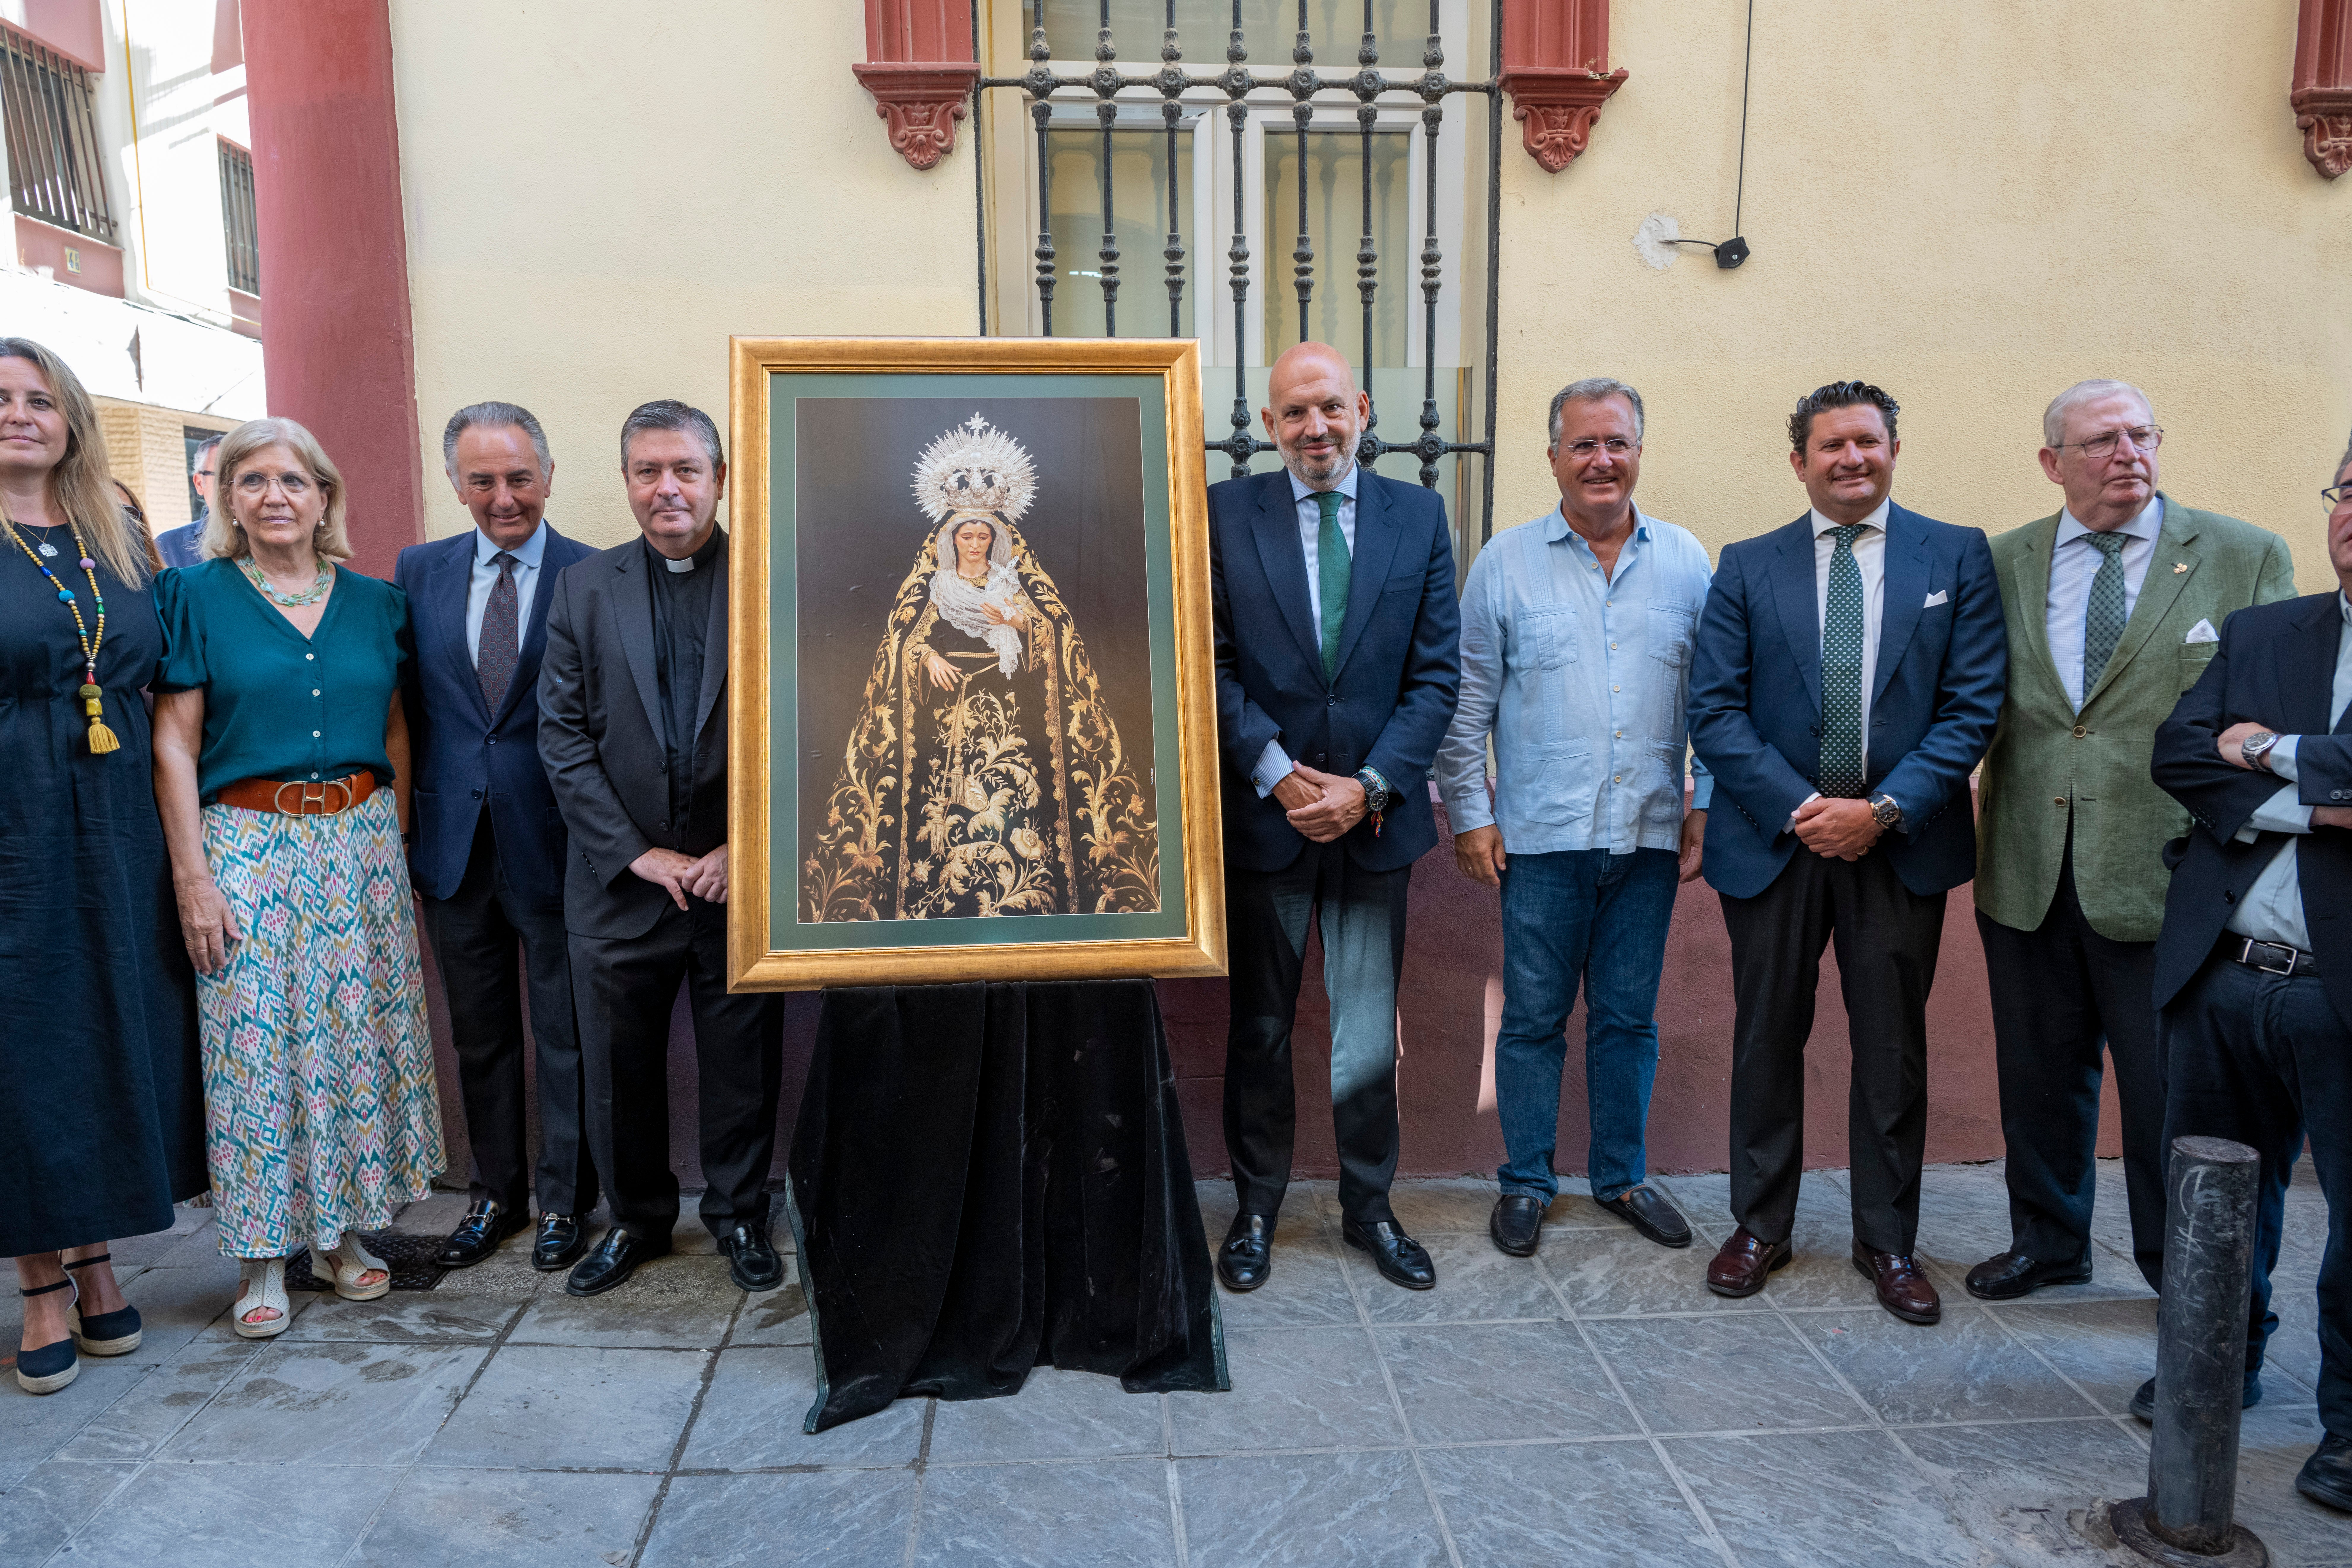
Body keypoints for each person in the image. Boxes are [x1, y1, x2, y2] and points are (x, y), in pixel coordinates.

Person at [1685, 380, 2006, 1324]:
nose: (1851, 459)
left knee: (1893, 1050)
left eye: (1867, 442)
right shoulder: (1748, 565)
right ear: (1800, 462)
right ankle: (1761, 1225)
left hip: (1898, 847)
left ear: (1894, 448)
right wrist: (1804, 808)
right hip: (1775, 845)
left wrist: (1887, 809)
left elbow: (1972, 708)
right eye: (1831, 447)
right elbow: (1715, 709)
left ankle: (1889, 1239)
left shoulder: (1956, 555)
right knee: (1765, 1041)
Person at [1969, 381, 2295, 1302]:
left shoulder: (2243, 555)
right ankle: (2048, 1241)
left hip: (2171, 881)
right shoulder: (2004, 561)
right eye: (2102, 440)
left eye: (2141, 435)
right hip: (2029, 867)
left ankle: (2175, 1278)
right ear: (2052, 462)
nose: (2127, 454)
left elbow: (2271, 712)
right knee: (2039, 1079)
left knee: (2169, 1095)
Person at [151, 416, 443, 1339]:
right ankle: (261, 1256)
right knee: (255, 1047)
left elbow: (398, 724)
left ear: (325, 496)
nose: (274, 496)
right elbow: (173, 740)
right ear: (226, 499)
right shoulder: (192, 595)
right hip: (246, 840)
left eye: (293, 480)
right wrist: (194, 876)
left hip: (358, 843)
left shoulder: (377, 602)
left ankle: (342, 1239)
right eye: (252, 481)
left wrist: (389, 841)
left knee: (351, 1042)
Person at [1436, 378, 1712, 1259]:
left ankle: (1622, 1176)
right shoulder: (1505, 563)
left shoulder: (1687, 562)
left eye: (1618, 444)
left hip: (1649, 837)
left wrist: (1704, 803)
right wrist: (1472, 816)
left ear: (1640, 452)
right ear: (1553, 457)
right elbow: (1466, 705)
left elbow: (1715, 702)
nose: (1603, 460)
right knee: (1532, 1018)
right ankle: (1526, 1182)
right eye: (1584, 445)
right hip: (1542, 843)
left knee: (1629, 1019)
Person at [1206, 341, 1461, 1294]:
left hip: (1374, 822)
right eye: (1293, 414)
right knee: (1261, 1027)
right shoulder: (1226, 513)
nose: (1315, 428)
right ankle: (1258, 1208)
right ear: (1271, 428)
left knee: (1364, 1032)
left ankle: (1369, 1208)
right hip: (1270, 823)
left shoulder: (1420, 516)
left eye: (1329, 408)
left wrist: (1374, 786)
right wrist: (1277, 775)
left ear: (1361, 407)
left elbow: (1438, 673)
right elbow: (1211, 658)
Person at [537, 399, 785, 1298]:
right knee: (617, 1074)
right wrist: (640, 855)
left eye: (686, 468)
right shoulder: (585, 587)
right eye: (649, 470)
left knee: (742, 1069)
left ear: (721, 479)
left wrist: (742, 845)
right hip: (621, 886)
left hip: (737, 881)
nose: (668, 487)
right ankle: (638, 1221)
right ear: (628, 482)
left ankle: (742, 1217)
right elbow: (560, 736)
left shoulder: (770, 576)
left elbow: (808, 725)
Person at [2144, 451, 2352, 1513]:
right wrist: (2312, 795)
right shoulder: (2262, 630)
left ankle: (2349, 1430)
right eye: (2347, 491)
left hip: (2339, 988)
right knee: (2216, 1194)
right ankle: (2214, 1366)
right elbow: (2175, 752)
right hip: (2223, 972)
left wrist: (2263, 750)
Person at [0, 337, 206, 1394]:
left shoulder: (115, 537)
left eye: (41, 399)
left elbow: (169, 689)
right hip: (15, 831)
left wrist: (191, 860)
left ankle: (97, 1255)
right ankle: (44, 1278)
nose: (21, 414)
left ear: (72, 420)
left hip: (116, 823)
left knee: (102, 1035)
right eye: (1, 399)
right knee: (26, 1048)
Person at [803, 413, 1157, 919]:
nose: (974, 543)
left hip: (1012, 714)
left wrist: (1016, 621)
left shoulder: (1014, 583)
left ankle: (1023, 902)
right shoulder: (932, 584)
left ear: (995, 538)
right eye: (966, 535)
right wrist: (924, 657)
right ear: (952, 538)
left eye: (982, 536)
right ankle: (935, 902)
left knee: (1012, 812)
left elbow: (1057, 637)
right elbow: (899, 639)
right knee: (940, 817)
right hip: (941, 720)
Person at [395, 403, 598, 1273]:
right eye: (482, 480)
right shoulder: (417, 571)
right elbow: (404, 702)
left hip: (559, 841)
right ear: (456, 484)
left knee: (565, 1031)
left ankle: (564, 1201)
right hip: (452, 842)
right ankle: (494, 1195)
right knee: (479, 1035)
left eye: (519, 477)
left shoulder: (594, 575)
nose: (503, 496)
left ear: (548, 476)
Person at [152, 435, 220, 569]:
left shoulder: (270, 538)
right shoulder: (167, 548)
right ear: (200, 484)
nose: (234, 483)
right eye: (222, 474)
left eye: (248, 477)